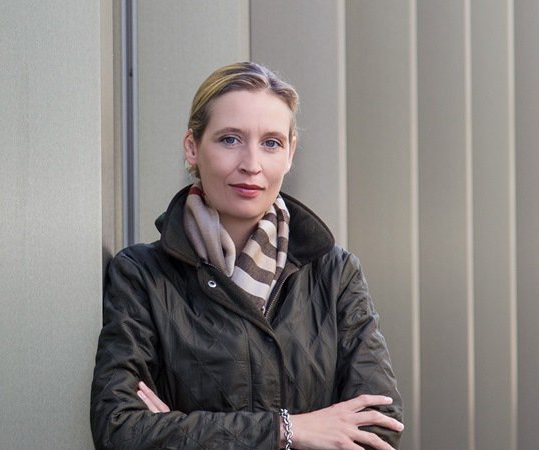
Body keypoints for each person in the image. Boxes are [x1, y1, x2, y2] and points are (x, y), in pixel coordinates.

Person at [91, 62, 403, 450]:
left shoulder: (334, 274)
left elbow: (378, 428)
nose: (251, 165)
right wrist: (291, 430)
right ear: (192, 147)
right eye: (230, 139)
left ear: (290, 153)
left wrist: (180, 429)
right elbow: (122, 430)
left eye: (271, 143)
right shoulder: (142, 275)